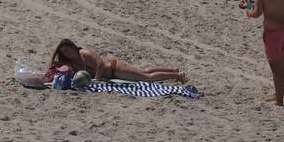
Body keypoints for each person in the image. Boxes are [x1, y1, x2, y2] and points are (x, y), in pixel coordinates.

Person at [47, 38, 186, 83]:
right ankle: (173, 70)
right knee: (144, 71)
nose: (67, 54)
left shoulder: (84, 53)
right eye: (64, 53)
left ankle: (177, 76)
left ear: (73, 47)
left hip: (114, 69)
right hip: (112, 73)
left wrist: (95, 80)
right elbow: (56, 69)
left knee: (146, 78)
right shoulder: (71, 62)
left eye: (67, 50)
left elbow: (100, 64)